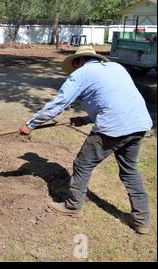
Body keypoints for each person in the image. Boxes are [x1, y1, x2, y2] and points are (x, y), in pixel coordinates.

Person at [18, 46, 153, 234]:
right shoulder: (116, 68)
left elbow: (59, 103)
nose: (74, 69)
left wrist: (31, 124)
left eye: (74, 65)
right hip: (139, 123)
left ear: (78, 61)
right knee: (129, 171)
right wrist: (86, 119)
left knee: (82, 164)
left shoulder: (82, 73)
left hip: (114, 126)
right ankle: (142, 220)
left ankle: (73, 206)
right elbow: (114, 99)